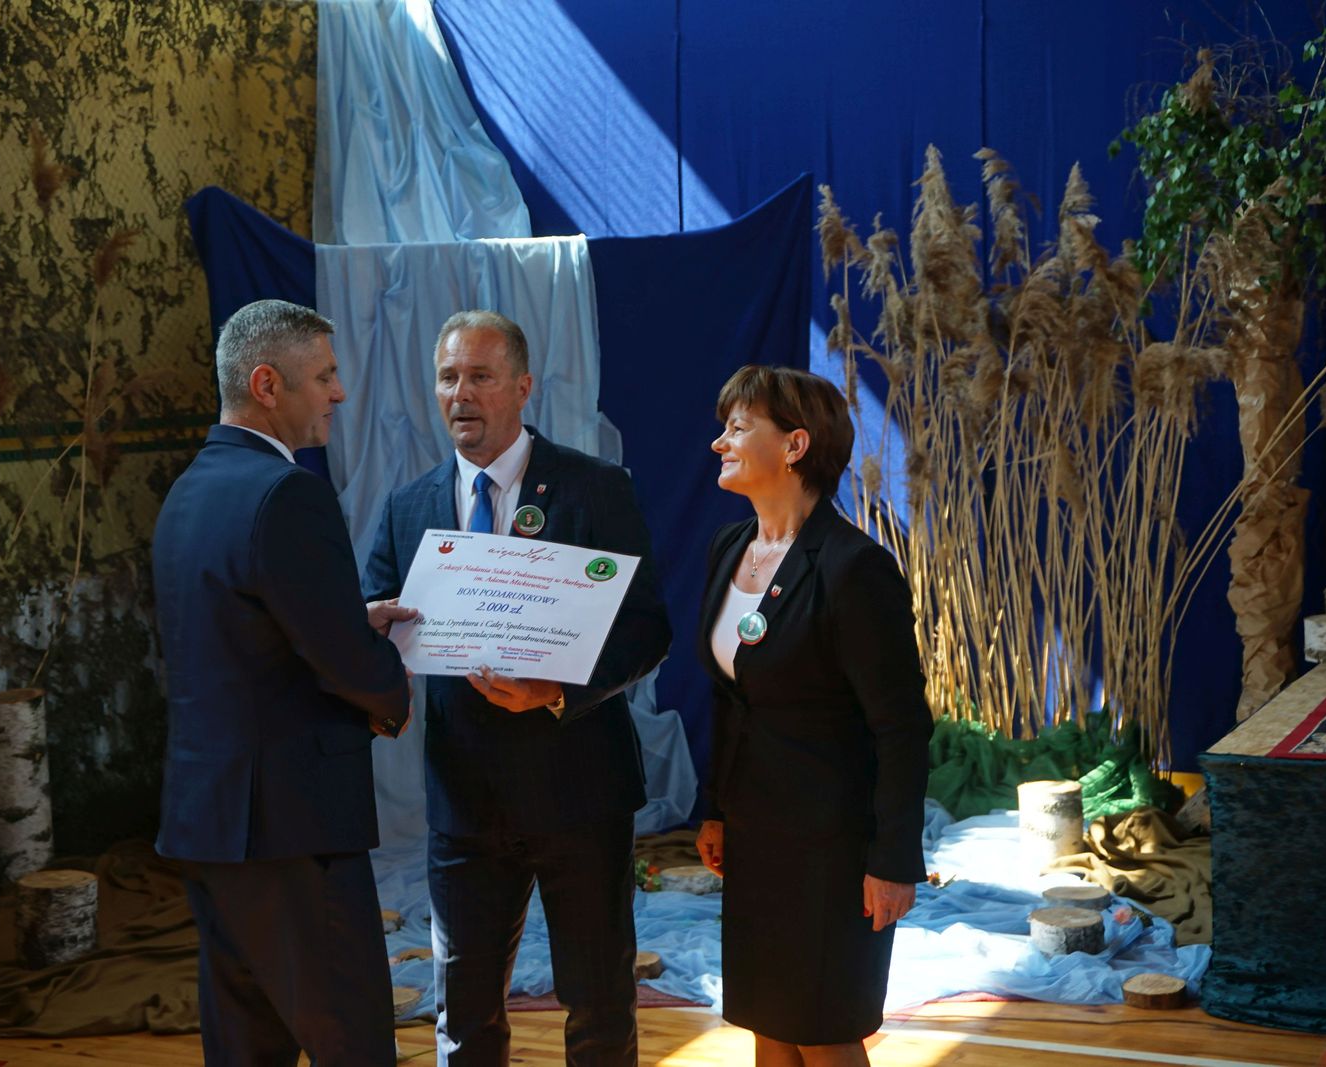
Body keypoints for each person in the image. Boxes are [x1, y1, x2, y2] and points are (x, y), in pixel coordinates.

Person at [364, 309, 672, 1066]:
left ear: (523, 387)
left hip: (581, 795)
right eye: (447, 376)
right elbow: (371, 628)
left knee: (599, 1008)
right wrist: (374, 659)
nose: (460, 393)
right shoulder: (408, 508)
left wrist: (556, 692)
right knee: (464, 1018)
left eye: (480, 375)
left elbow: (646, 629)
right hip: (465, 805)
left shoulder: (595, 488)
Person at [152, 299, 414, 1066]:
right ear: (267, 384)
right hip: (291, 826)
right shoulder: (288, 492)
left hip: (210, 822)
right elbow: (344, 662)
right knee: (354, 1045)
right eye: (324, 375)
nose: (339, 391)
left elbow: (238, 633)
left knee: (246, 1050)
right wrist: (390, 693)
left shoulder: (190, 489)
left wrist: (345, 620)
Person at [694, 365, 932, 1067]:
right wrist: (716, 810)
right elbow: (730, 698)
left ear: (795, 445)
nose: (719, 443)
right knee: (769, 1022)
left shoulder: (855, 568)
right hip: (754, 835)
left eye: (738, 427)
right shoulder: (728, 548)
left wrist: (893, 862)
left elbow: (902, 727)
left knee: (822, 1031)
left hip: (833, 845)